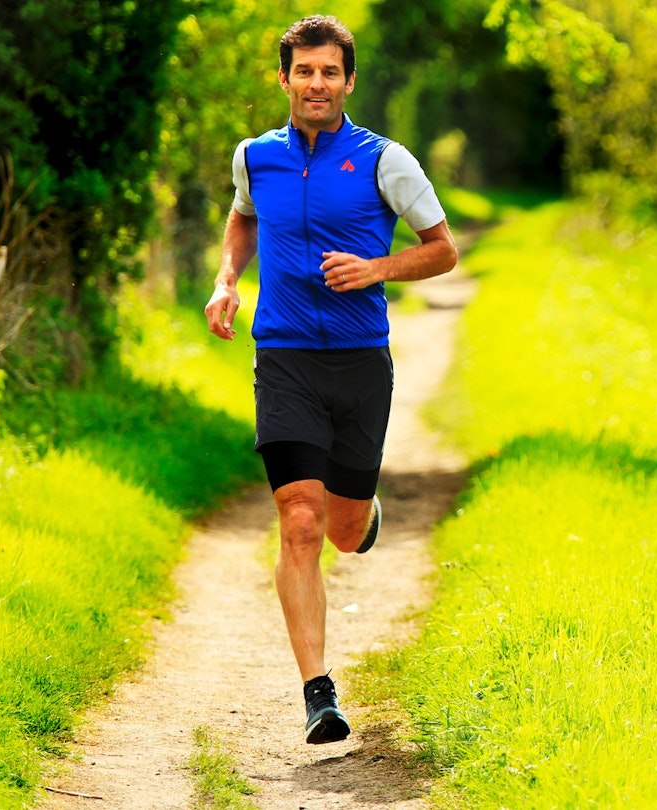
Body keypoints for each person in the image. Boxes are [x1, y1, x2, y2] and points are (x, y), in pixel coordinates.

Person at [203, 14, 457, 745]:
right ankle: (318, 691)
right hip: (282, 356)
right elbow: (243, 217)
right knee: (301, 522)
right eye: (304, 71)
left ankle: (364, 513)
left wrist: (377, 268)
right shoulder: (255, 156)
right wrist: (227, 279)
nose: (318, 84)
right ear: (283, 78)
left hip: (358, 363)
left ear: (348, 81)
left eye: (330, 72)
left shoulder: (386, 161)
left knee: (343, 531)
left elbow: (441, 251)